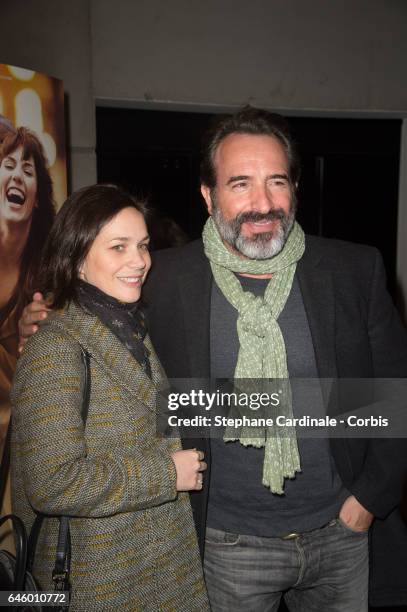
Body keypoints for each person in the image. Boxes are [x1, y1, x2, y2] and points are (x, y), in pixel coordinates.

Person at [19, 108, 407, 611]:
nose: (262, 202)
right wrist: (46, 316)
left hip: (340, 532)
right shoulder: (159, 279)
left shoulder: (355, 270)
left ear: (295, 188)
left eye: (277, 181)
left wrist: (366, 502)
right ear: (209, 195)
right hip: (225, 544)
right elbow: (101, 327)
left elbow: (394, 395)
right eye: (240, 183)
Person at [12, 184, 209, 611]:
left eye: (142, 245)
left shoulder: (130, 329)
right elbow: (52, 483)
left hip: (154, 571)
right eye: (118, 247)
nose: (138, 261)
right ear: (77, 258)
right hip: (98, 582)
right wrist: (166, 474)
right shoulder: (57, 348)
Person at [0, 126, 55, 553]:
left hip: (17, 435)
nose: (17, 176)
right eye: (7, 165)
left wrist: (32, 338)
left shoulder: (49, 272)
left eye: (28, 169)